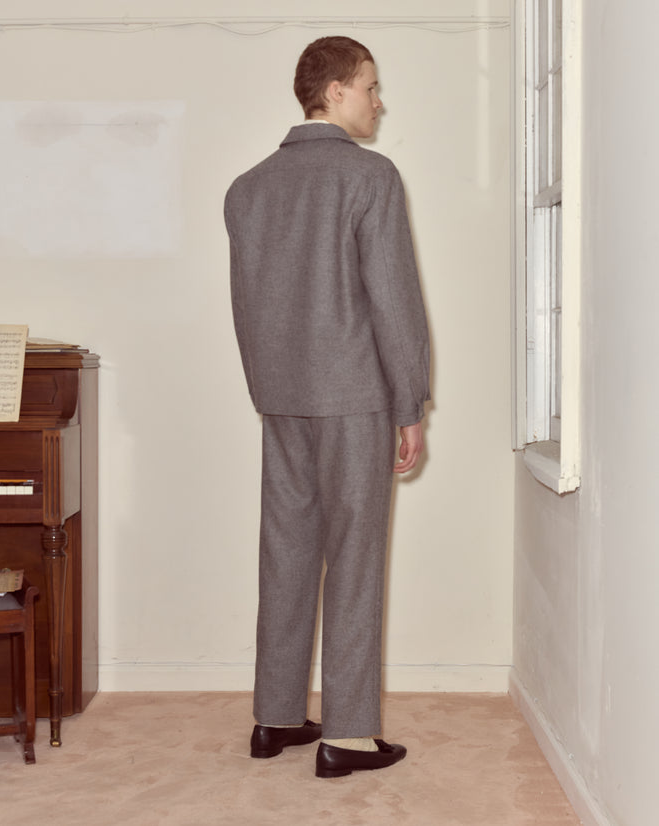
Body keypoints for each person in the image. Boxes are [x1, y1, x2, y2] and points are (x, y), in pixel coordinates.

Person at [224, 35, 430, 778]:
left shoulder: (247, 188)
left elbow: (245, 307)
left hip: (280, 399)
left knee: (284, 552)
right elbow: (395, 305)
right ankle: (347, 735)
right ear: (335, 91)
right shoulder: (369, 177)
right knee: (353, 557)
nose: (379, 102)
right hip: (353, 399)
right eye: (371, 87)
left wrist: (267, 390)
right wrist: (411, 404)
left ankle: (274, 719)